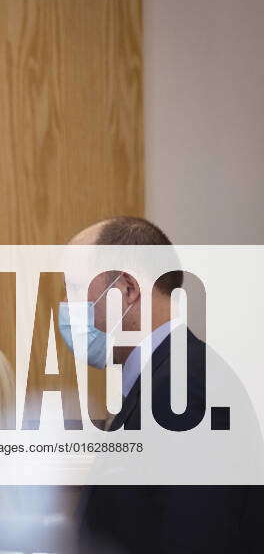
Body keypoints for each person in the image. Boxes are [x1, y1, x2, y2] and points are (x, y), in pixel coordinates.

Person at [70, 216, 263, 554]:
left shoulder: (184, 387)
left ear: (128, 289)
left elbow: (196, 537)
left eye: (75, 289)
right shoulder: (165, 378)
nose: (68, 310)